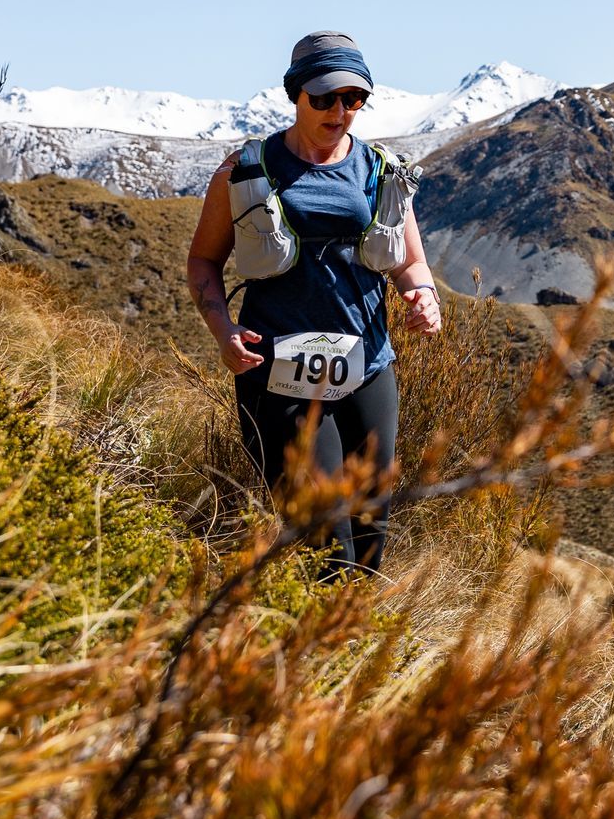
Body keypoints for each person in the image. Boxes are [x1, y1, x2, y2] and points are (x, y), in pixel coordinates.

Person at [187, 31, 441, 578]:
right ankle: (320, 647)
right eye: (324, 97)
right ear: (295, 94)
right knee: (325, 534)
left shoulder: (379, 170)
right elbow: (203, 262)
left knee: (372, 527)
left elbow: (409, 261)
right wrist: (222, 329)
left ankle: (353, 652)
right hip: (276, 374)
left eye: (353, 99)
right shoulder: (244, 170)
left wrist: (424, 296)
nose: (340, 111)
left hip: (368, 367)